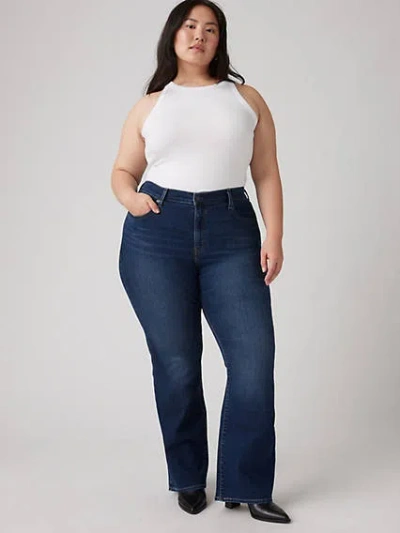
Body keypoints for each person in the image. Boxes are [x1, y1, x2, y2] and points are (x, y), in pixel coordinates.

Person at [111, 0, 291, 524]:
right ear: (174, 35)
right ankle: (188, 477)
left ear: (220, 40)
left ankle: (248, 485)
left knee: (254, 360)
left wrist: (274, 236)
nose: (199, 35)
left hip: (231, 231)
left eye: (211, 29)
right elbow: (122, 170)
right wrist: (132, 200)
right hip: (156, 236)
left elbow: (266, 172)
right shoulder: (151, 105)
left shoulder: (245, 99)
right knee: (177, 364)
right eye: (190, 26)